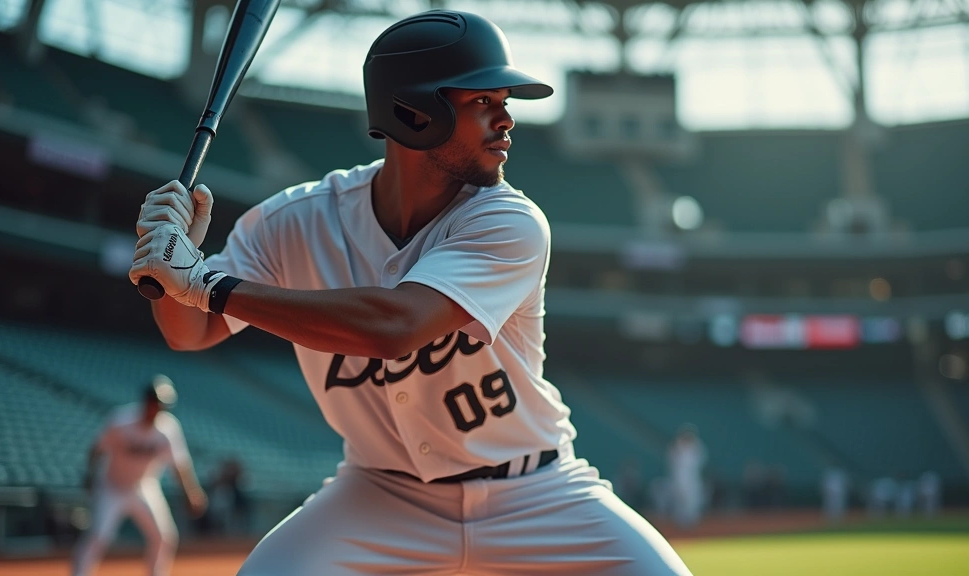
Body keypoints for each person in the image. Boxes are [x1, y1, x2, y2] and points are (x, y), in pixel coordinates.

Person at [129, 9, 692, 575]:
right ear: (413, 113)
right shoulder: (292, 221)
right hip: (381, 496)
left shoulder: (510, 222)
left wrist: (203, 282)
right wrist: (167, 267)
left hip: (535, 494)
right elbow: (192, 331)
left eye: (505, 102)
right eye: (482, 103)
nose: (506, 121)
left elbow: (393, 327)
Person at [71, 375, 207, 576]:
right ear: (146, 401)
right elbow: (97, 449)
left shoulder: (168, 428)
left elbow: (180, 465)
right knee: (99, 536)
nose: (157, 408)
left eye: (162, 404)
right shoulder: (122, 420)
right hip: (111, 486)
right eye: (154, 402)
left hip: (144, 487)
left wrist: (190, 492)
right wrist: (90, 475)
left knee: (165, 536)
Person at [666, 424, 706, 528]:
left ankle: (692, 525)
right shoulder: (676, 448)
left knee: (693, 501)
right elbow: (673, 464)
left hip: (693, 479)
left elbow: (701, 461)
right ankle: (680, 526)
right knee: (680, 502)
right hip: (679, 478)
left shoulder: (696, 447)